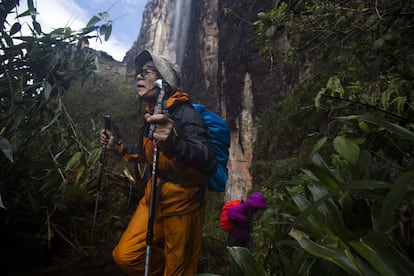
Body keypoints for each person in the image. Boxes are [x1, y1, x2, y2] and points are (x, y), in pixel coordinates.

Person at [100, 49, 217, 275]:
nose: (138, 76)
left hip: (183, 202)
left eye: (147, 72)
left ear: (165, 82)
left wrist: (173, 143)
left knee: (178, 270)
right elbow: (147, 152)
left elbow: (207, 160)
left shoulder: (186, 115)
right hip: (153, 196)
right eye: (139, 72)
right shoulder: (152, 114)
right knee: (125, 256)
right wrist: (118, 147)